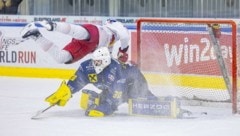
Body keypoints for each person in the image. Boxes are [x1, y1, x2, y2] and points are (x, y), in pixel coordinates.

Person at [45, 47, 156, 117]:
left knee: (140, 103)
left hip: (134, 84)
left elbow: (117, 95)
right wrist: (67, 91)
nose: (94, 64)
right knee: (101, 99)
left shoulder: (115, 70)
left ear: (105, 61)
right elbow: (78, 80)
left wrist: (105, 108)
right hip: (113, 89)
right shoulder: (87, 67)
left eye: (98, 62)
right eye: (94, 61)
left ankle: (157, 102)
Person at [20, 19, 129, 64]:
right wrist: (123, 53)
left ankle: (36, 35)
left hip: (88, 47)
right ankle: (54, 25)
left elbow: (106, 59)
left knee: (61, 59)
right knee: (80, 32)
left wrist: (117, 59)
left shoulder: (111, 44)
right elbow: (125, 43)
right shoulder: (120, 30)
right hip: (96, 33)